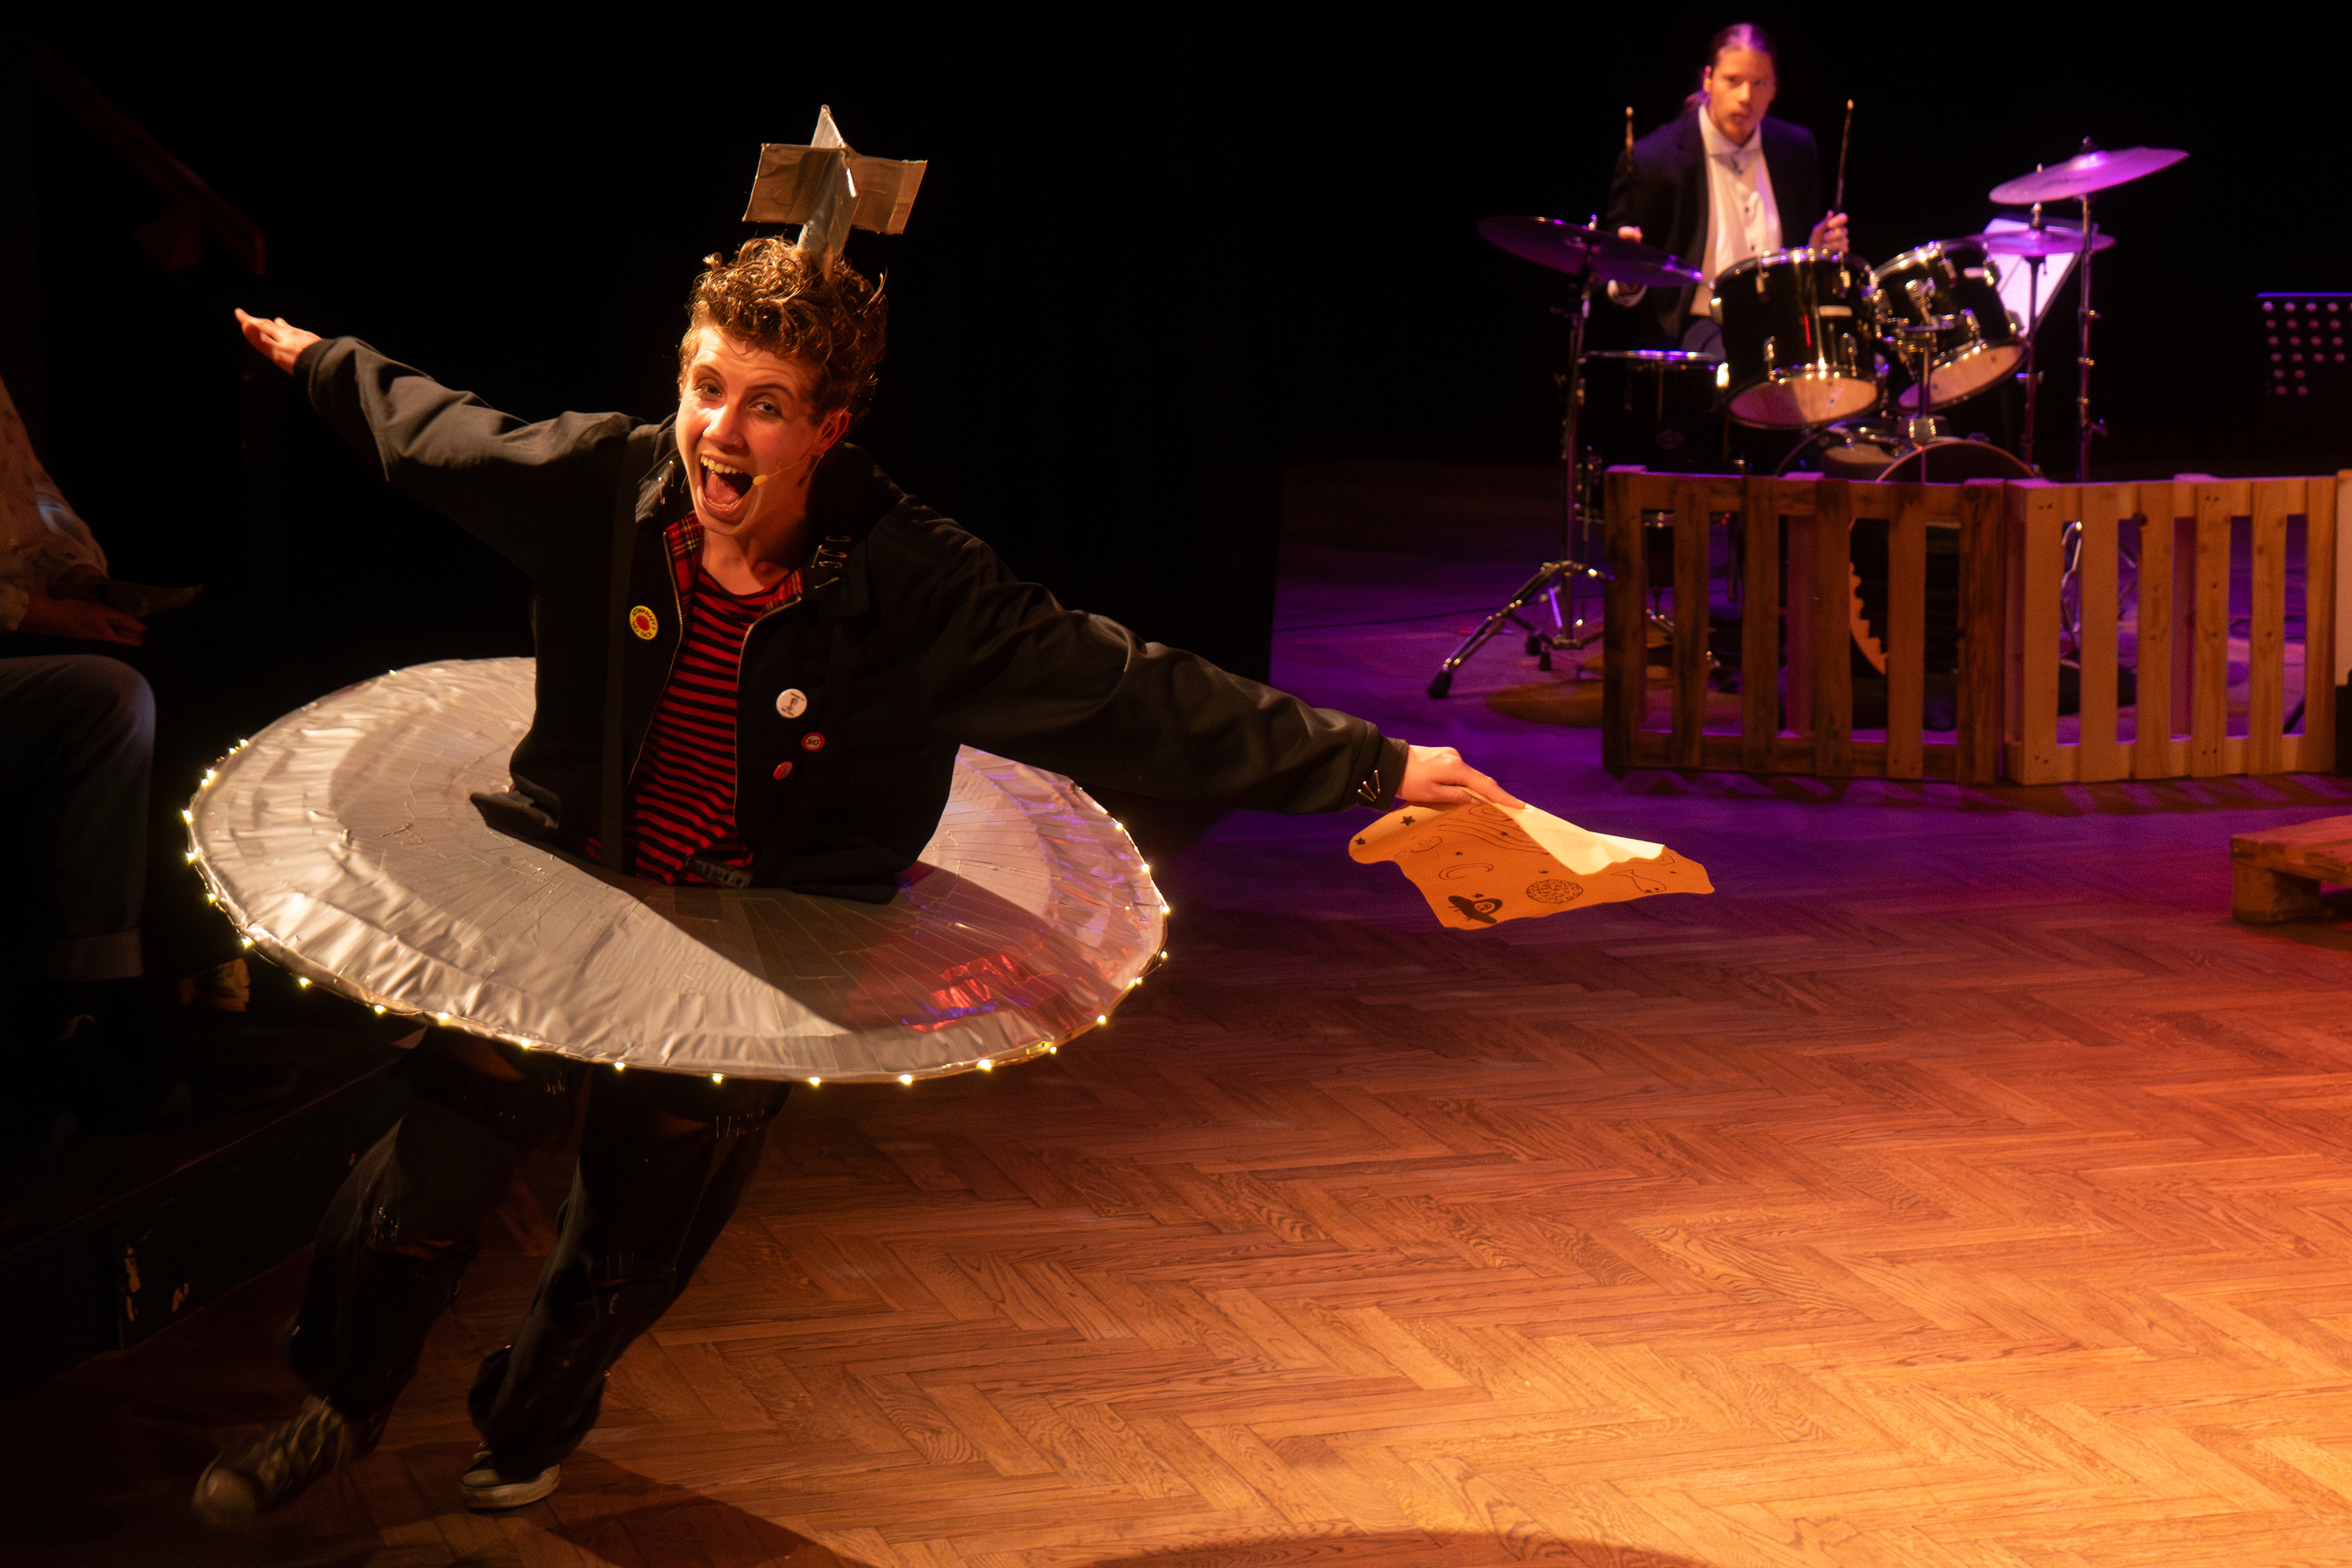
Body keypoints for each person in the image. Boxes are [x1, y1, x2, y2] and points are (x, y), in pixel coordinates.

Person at [197, 237, 1518, 1524]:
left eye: (767, 405)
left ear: (828, 427)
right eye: (708, 387)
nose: (722, 431)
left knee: (632, 1245)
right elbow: (440, 435)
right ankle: (340, 1402)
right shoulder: (606, 481)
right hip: (574, 883)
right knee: (427, 1178)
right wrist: (323, 361)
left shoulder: (914, 579)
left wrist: (1377, 763)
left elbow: (1130, 691)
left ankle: (530, 1416)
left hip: (756, 935)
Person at [1603, 22, 1850, 355]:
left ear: (1775, 88)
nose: (1746, 97)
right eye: (1733, 81)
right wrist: (1628, 278)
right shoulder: (1654, 160)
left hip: (1784, 319)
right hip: (1700, 325)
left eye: (1760, 83)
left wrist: (1815, 252)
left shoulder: (1796, 149)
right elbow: (1619, 284)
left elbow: (1800, 264)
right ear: (1708, 80)